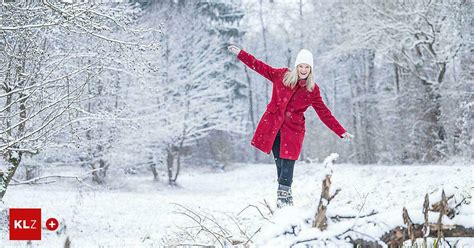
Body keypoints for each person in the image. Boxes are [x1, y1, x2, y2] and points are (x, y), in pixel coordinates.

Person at [228, 45, 353, 208]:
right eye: (301, 66)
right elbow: (259, 66)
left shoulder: (312, 90)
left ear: (310, 69)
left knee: (287, 166)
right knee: (280, 167)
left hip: (292, 131)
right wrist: (241, 54)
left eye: (307, 67)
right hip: (273, 129)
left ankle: (284, 203)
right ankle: (285, 202)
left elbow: (324, 113)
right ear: (296, 67)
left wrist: (340, 131)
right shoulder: (281, 76)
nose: (303, 69)